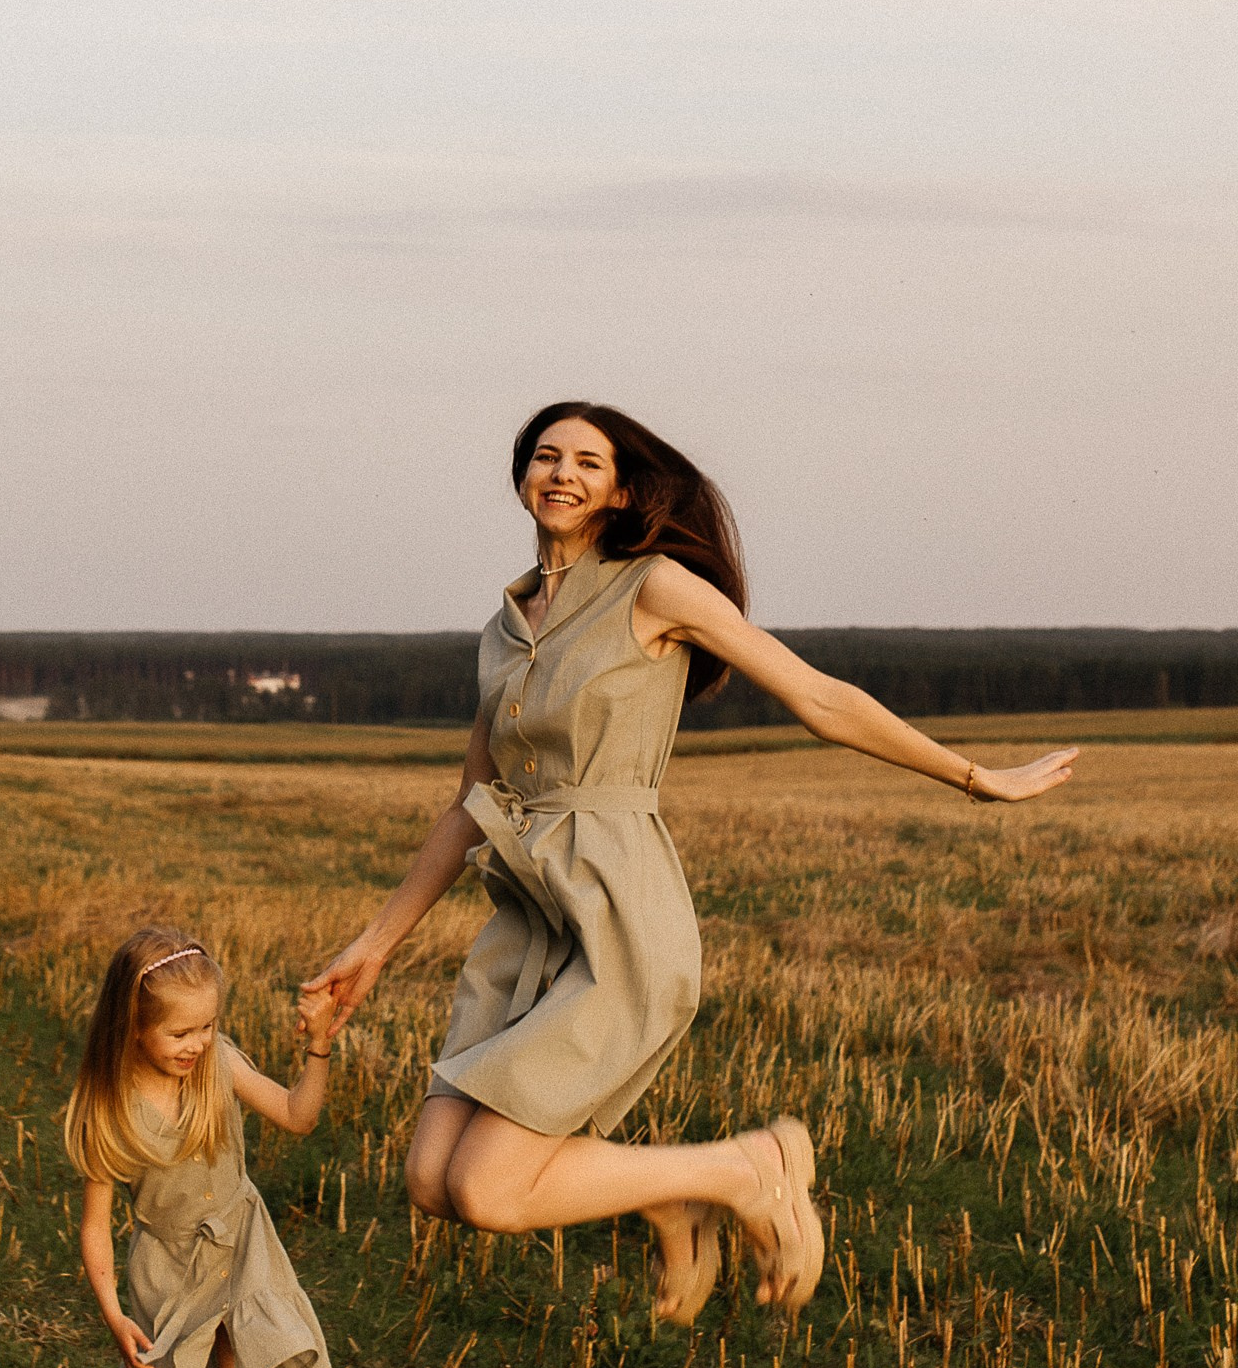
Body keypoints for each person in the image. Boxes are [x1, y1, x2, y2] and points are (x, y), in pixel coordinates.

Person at [302, 401, 1076, 1321]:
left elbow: (818, 696)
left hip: (619, 914)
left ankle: (748, 1169)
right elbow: (469, 806)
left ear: (621, 490)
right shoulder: (507, 626)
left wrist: (972, 775)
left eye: (588, 462)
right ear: (520, 478)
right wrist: (374, 947)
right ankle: (670, 1193)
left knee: (490, 1190)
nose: (562, 473)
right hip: (530, 919)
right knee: (433, 1181)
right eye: (545, 456)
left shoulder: (654, 587)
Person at [65, 923, 337, 1368]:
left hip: (239, 1249)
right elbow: (95, 1229)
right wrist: (111, 1312)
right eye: (182, 1032)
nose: (198, 1044)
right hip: (165, 1271)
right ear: (133, 1026)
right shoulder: (109, 1104)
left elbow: (296, 1115)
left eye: (209, 1025)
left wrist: (320, 1045)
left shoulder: (218, 1062)